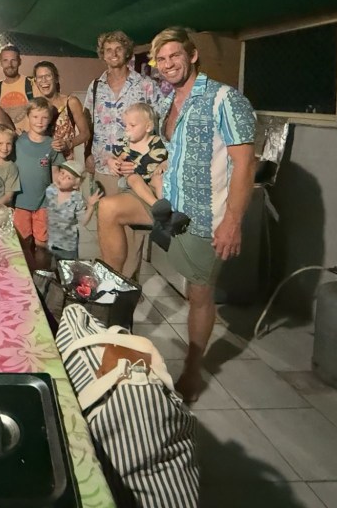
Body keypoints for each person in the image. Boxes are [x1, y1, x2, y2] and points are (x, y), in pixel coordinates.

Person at [97, 27, 256, 402]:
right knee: (109, 208)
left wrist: (233, 221)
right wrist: (126, 163)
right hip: (165, 204)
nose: (168, 64)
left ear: (192, 55)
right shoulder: (168, 102)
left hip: (202, 214)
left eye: (175, 56)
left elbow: (245, 164)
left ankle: (193, 368)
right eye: (161, 59)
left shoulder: (224, 99)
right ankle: (116, 299)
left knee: (198, 294)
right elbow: (162, 150)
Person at [83, 30, 165, 196]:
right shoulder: (96, 86)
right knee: (101, 210)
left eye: (118, 49)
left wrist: (160, 160)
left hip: (136, 170)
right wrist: (87, 155)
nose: (113, 54)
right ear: (103, 55)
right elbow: (88, 124)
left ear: (127, 52)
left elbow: (161, 123)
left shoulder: (145, 85)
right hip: (104, 168)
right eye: (108, 50)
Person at [13, 97, 64, 271]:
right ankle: (24, 276)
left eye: (44, 117)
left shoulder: (52, 145)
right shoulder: (17, 142)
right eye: (35, 117)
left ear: (50, 119)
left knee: (42, 245)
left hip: (44, 204)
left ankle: (41, 276)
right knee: (23, 243)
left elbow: (56, 175)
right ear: (28, 116)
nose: (39, 121)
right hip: (20, 203)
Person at [110, 102, 167, 212]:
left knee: (159, 179)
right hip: (133, 183)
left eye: (132, 125)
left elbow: (172, 157)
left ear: (148, 127)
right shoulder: (124, 144)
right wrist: (111, 162)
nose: (127, 129)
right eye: (125, 125)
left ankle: (166, 207)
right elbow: (111, 156)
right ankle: (157, 206)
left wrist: (164, 164)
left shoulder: (159, 143)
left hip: (152, 178)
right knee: (133, 178)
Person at [30, 60, 90, 160]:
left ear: (56, 79)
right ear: (36, 82)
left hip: (64, 163)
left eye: (48, 76)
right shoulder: (35, 105)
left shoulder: (71, 102)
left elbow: (85, 133)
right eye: (40, 77)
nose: (44, 80)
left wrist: (69, 144)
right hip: (42, 161)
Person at [45, 160, 100, 261]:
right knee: (50, 266)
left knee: (67, 267)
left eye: (68, 177)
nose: (62, 177)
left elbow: (83, 221)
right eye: (62, 173)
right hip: (50, 241)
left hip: (67, 246)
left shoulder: (76, 198)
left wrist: (91, 206)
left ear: (75, 185)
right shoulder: (50, 190)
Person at [0, 44, 35, 124]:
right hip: (6, 132)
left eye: (13, 60)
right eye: (5, 60)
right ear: (0, 63)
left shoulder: (31, 84)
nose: (10, 65)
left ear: (19, 62)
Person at [0, 123, 21, 207]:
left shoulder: (11, 167)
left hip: (2, 210)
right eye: (0, 143)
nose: (5, 148)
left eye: (8, 143)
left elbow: (8, 197)